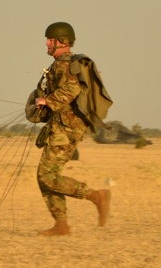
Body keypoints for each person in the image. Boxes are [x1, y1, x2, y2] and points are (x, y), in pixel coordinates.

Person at [31, 22, 111, 236]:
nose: (47, 43)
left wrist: (48, 101)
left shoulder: (63, 65)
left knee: (47, 176)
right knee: (46, 176)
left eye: (50, 40)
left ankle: (96, 196)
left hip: (66, 129)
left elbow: (72, 88)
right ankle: (61, 224)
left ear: (62, 42)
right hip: (64, 127)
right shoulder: (62, 64)